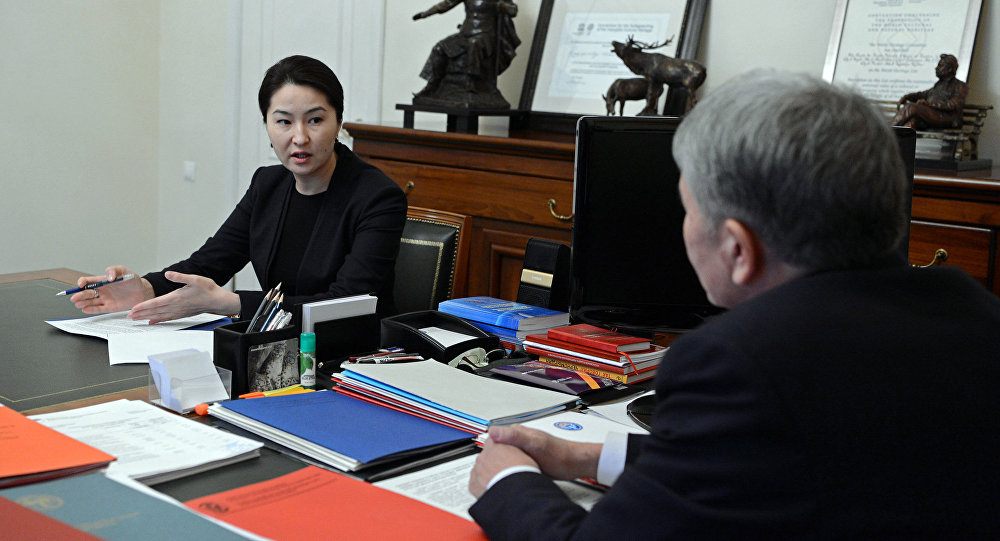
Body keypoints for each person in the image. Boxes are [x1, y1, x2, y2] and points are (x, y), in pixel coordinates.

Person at [468, 70, 1000, 538]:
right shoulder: (973, 311)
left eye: (687, 210)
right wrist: (590, 456)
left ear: (738, 250)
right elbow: (805, 457)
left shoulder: (735, 362)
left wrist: (507, 482)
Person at [71, 55, 407, 323]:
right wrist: (145, 289)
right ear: (267, 126)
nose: (300, 137)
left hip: (352, 360)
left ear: (339, 123)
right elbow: (209, 263)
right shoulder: (268, 184)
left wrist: (231, 303)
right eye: (284, 121)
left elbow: (346, 304)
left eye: (315, 120)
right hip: (279, 348)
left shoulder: (377, 197)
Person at [412, 0, 519, 108]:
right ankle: (433, 84)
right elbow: (446, 4)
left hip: (485, 35)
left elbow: (513, 10)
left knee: (474, 44)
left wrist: (501, 6)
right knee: (439, 48)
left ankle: (471, 83)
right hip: (465, 34)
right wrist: (425, 14)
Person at [892, 53, 969, 129]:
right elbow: (923, 94)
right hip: (934, 116)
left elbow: (953, 104)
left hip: (947, 118)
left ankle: (888, 131)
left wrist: (930, 104)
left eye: (940, 66)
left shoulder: (960, 86)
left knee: (911, 107)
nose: (936, 68)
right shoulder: (939, 84)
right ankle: (896, 136)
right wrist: (907, 97)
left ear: (950, 69)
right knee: (912, 122)